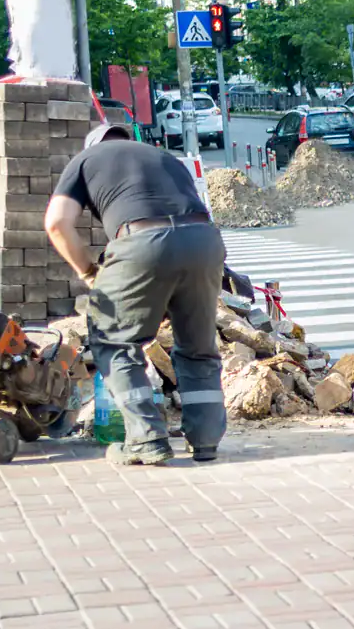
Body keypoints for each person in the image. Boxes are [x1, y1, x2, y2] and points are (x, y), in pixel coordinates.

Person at [43, 122, 226, 467]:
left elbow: (56, 223)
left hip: (142, 241)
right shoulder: (163, 156)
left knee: (113, 341)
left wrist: (88, 272)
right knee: (198, 348)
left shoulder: (85, 160)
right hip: (204, 241)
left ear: (93, 146)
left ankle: (146, 438)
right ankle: (205, 440)